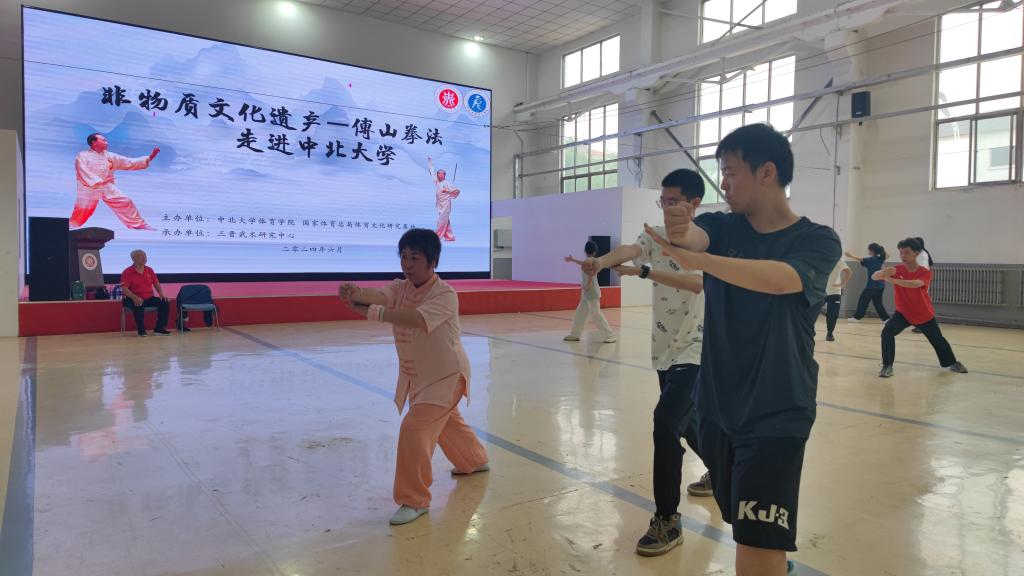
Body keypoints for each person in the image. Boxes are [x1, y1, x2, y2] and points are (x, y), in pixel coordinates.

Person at [652, 123, 841, 576]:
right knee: (744, 524)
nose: (724, 183)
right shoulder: (721, 226)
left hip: (778, 412)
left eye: (731, 172)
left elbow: (780, 280)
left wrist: (701, 260)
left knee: (755, 547)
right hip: (717, 409)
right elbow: (694, 238)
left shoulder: (817, 240)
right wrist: (681, 232)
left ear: (766, 172)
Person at [576, 169, 711, 557]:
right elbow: (630, 250)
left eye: (673, 201)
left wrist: (645, 271)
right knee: (687, 423)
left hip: (699, 347)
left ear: (694, 203)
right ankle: (723, 469)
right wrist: (600, 261)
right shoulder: (655, 235)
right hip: (665, 347)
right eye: (662, 201)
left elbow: (698, 282)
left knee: (665, 423)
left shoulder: (708, 239)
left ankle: (667, 519)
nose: (666, 208)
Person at [338, 229, 489, 526]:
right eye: (404, 257)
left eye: (415, 258)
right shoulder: (401, 287)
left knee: (414, 429)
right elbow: (382, 296)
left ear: (433, 260)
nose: (407, 264)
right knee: (446, 424)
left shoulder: (445, 294)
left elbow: (417, 319)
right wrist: (356, 293)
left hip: (447, 377)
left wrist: (373, 313)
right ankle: (474, 460)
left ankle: (414, 499)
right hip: (420, 377)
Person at [874, 237, 967, 378]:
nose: (903, 256)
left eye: (907, 253)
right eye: (901, 253)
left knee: (938, 340)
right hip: (903, 313)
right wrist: (882, 272)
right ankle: (887, 366)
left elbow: (915, 284)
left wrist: (891, 280)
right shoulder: (896, 269)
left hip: (923, 313)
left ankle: (952, 363)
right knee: (887, 332)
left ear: (916, 253)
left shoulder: (925, 272)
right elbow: (874, 277)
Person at [72, 133, 160, 230]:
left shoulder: (109, 156)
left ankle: (138, 224)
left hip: (106, 185)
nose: (106, 142)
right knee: (83, 210)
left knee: (125, 200)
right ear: (94, 142)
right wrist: (97, 181)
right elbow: (82, 170)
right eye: (104, 140)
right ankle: (70, 226)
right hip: (89, 186)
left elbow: (128, 162)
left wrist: (149, 158)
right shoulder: (83, 155)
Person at [563, 241, 616, 344]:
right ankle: (575, 334)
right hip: (587, 292)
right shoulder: (591, 260)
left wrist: (588, 284)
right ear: (595, 251)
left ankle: (610, 335)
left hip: (591, 291)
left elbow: (592, 273)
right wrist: (572, 260)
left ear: (585, 250)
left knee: (596, 314)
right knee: (580, 314)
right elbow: (584, 264)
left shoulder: (592, 261)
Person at [120, 249, 170, 336]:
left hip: (148, 298)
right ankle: (141, 330)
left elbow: (156, 283)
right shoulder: (127, 272)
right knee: (139, 303)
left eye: (145, 255)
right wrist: (134, 297)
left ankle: (159, 328)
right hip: (131, 298)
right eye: (141, 256)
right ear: (133, 258)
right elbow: (124, 289)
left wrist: (161, 294)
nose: (144, 257)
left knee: (164, 302)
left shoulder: (149, 270)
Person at [845, 243, 890, 322]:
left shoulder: (872, 259)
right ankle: (885, 318)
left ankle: (857, 317)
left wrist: (850, 255)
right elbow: (887, 255)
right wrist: (880, 249)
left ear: (872, 251)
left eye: (869, 250)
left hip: (872, 286)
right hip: (881, 285)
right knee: (878, 303)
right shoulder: (881, 258)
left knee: (863, 301)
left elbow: (861, 259)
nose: (868, 251)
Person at [427, 156, 460, 242]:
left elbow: (457, 191)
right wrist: (430, 162)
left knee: (441, 220)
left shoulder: (447, 183)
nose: (439, 175)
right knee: (445, 220)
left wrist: (447, 191)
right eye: (438, 173)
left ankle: (436, 237)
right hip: (439, 204)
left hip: (446, 206)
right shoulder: (437, 182)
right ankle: (449, 237)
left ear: (444, 175)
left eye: (441, 173)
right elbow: (432, 172)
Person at [824, 258, 852, 341]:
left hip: (835, 291)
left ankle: (830, 333)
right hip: (820, 291)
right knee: (810, 312)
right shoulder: (818, 258)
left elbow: (849, 272)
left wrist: (842, 284)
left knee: (833, 314)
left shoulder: (838, 259)